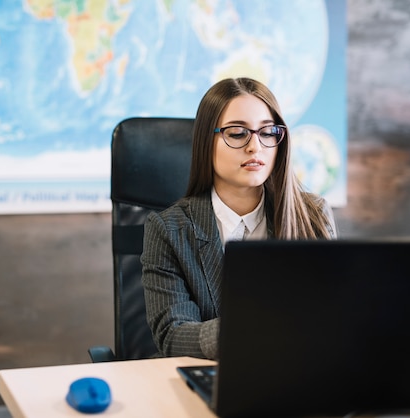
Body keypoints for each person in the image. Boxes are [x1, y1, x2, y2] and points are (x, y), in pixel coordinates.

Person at [140, 77, 337, 360]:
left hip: (298, 381)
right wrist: (257, 329)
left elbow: (332, 319)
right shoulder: (169, 230)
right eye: (237, 133)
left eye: (267, 132)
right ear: (206, 142)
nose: (255, 147)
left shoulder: (313, 215)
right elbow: (174, 336)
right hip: (213, 382)